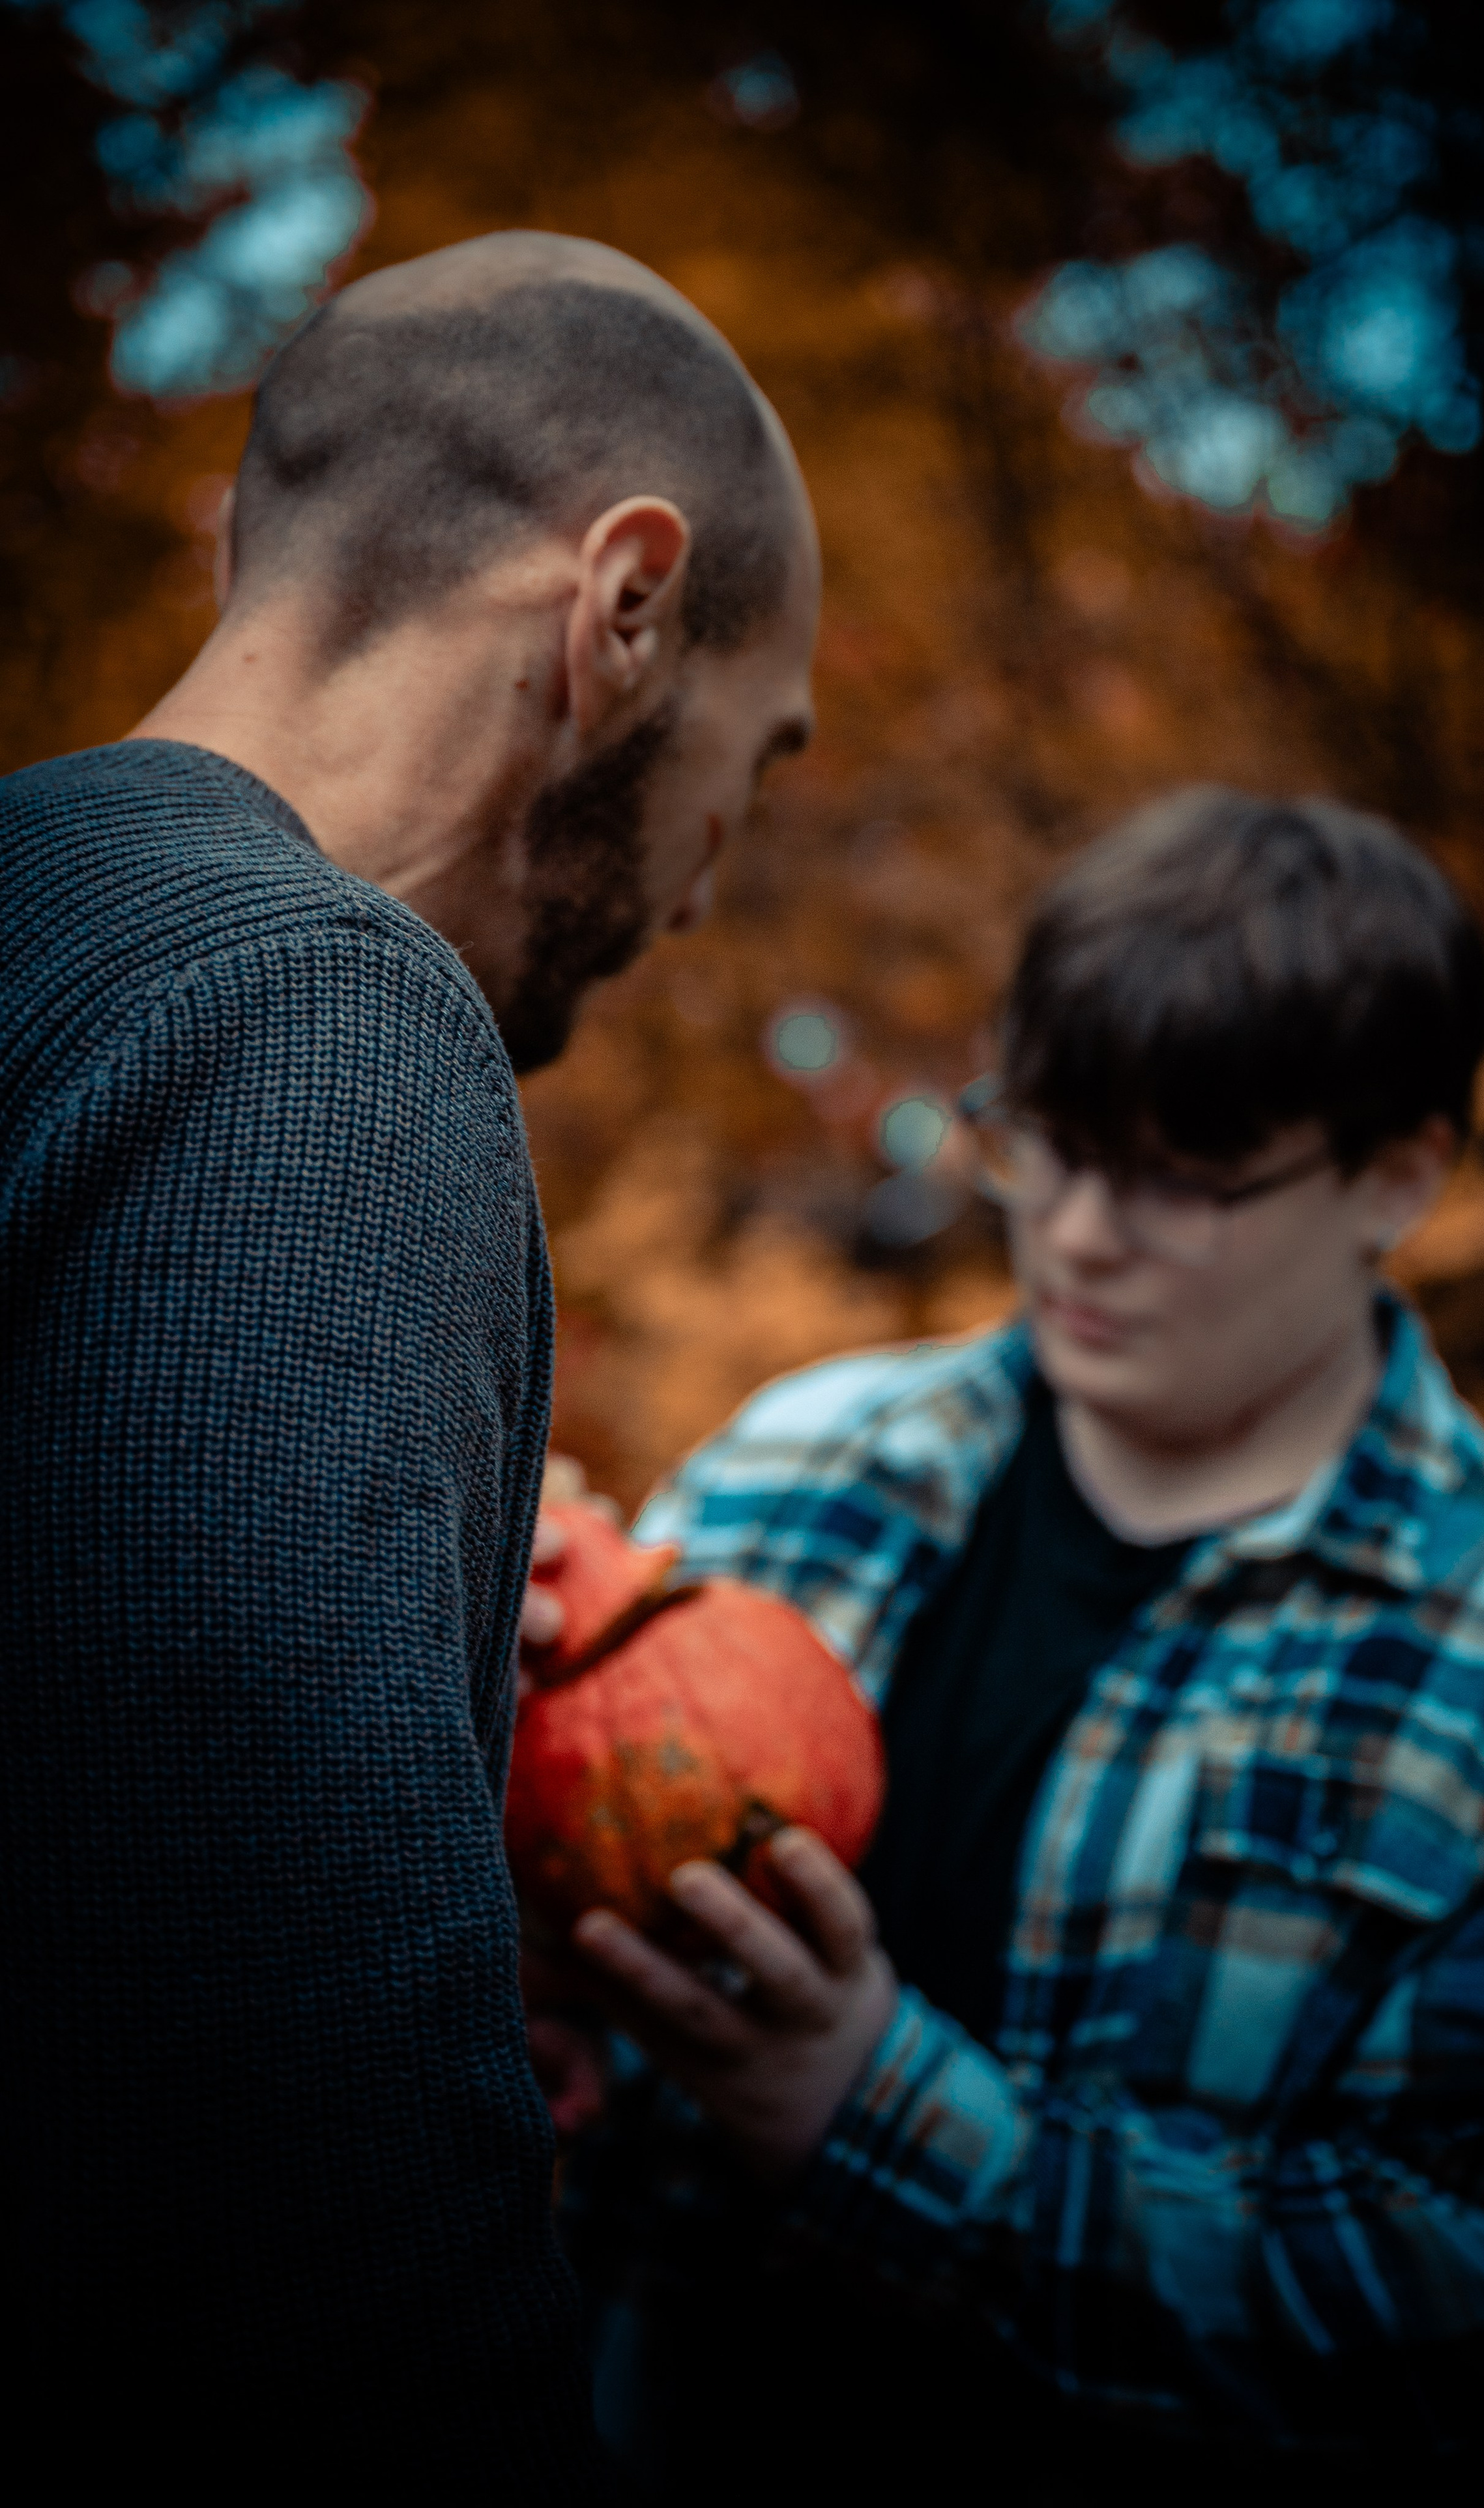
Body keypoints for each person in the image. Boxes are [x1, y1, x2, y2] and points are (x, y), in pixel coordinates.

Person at [555, 790, 1484, 2498]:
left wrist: (875, 2115)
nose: (1075, 1231)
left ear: (1400, 1176)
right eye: (1046, 1140)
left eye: (1185, 1179)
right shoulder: (804, 1469)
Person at [0, 230, 818, 2488]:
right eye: (759, 754)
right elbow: (295, 2184)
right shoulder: (321, 1017)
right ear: (624, 608)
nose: (713, 881)